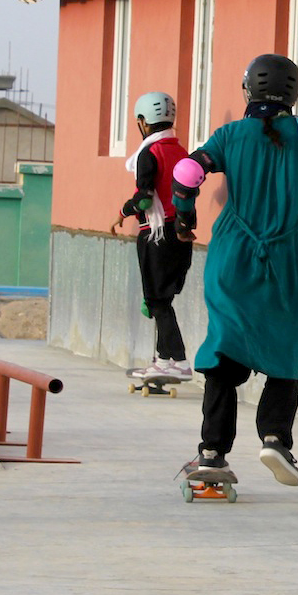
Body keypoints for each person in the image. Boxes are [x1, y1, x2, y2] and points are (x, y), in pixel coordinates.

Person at [171, 53, 298, 486]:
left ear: (248, 90)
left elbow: (188, 170)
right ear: (294, 93)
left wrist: (183, 217)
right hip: (284, 256)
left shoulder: (231, 135)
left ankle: (212, 453)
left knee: (224, 351)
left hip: (232, 254)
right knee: (284, 351)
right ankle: (275, 439)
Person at [111, 91, 193, 381]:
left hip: (155, 235)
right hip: (181, 233)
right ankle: (164, 360)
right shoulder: (181, 151)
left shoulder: (149, 153)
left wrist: (122, 211)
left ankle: (180, 361)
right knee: (163, 301)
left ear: (143, 122)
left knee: (157, 301)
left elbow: (144, 200)